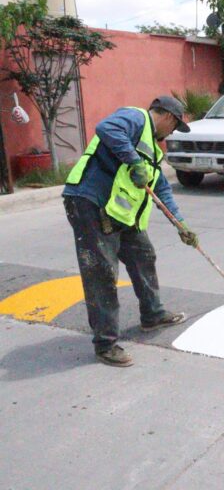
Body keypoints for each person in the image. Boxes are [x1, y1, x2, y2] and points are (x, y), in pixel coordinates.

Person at [62, 96, 198, 367]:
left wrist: (181, 224)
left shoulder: (155, 152)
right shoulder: (136, 118)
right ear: (169, 118)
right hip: (90, 202)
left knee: (143, 255)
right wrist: (134, 161)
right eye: (174, 128)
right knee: (102, 273)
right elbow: (106, 128)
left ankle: (153, 313)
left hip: (121, 214)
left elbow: (162, 190)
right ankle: (105, 344)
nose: (170, 134)